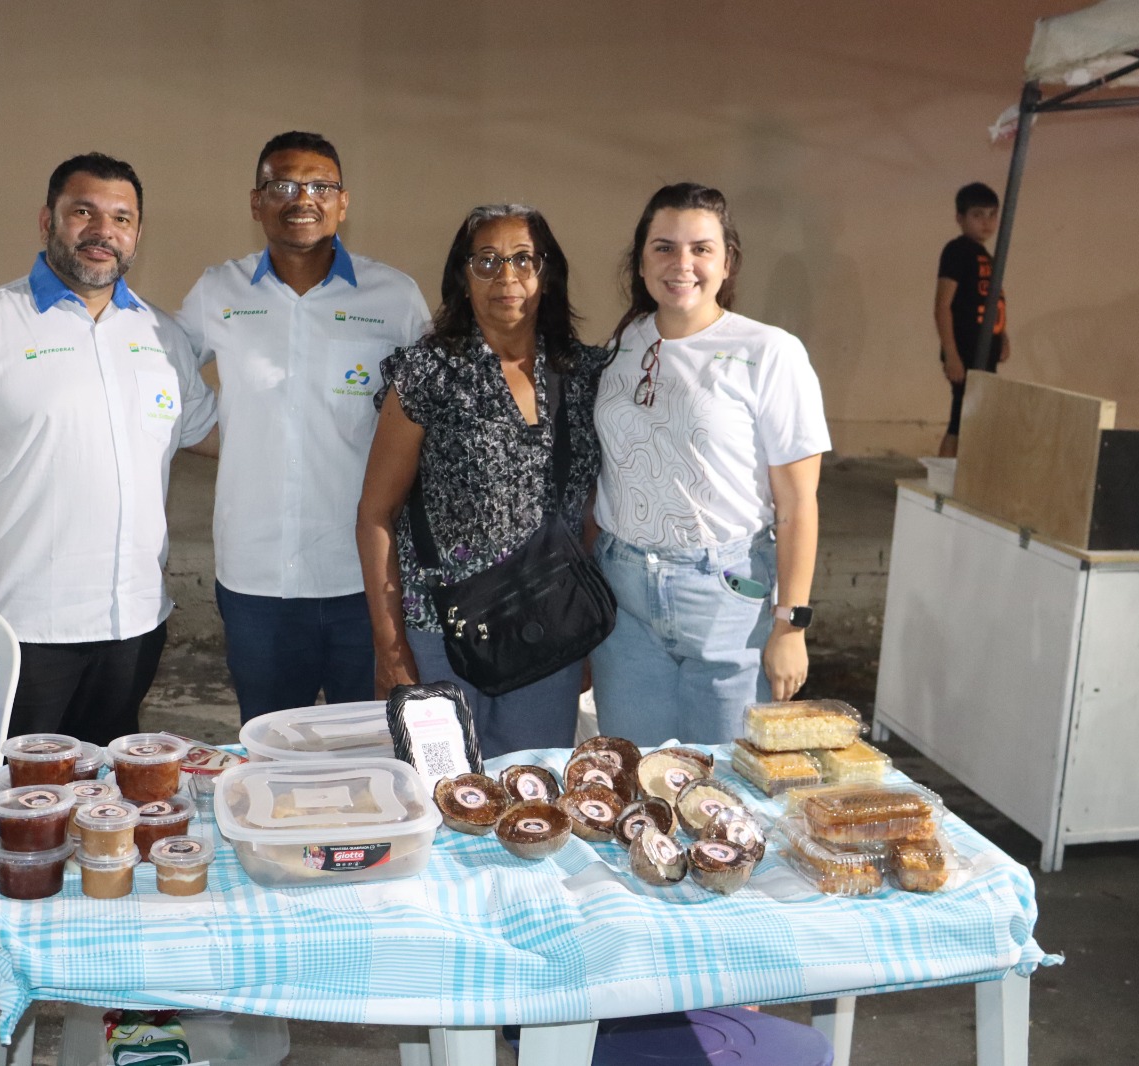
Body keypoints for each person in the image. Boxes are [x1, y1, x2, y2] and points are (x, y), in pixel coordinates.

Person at [0, 152, 218, 751]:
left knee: (108, 788)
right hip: (17, 628)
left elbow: (207, 431)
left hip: (133, 626)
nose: (103, 231)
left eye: (122, 218)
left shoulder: (161, 336)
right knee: (14, 792)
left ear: (137, 234)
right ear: (47, 221)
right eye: (83, 212)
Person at [176, 131, 428, 723]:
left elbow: (431, 414)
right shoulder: (218, 292)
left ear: (343, 202)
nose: (302, 199)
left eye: (320, 186)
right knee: (269, 744)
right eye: (283, 185)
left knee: (370, 745)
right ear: (256, 201)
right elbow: (161, 376)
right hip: (256, 580)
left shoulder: (394, 298)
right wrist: (224, 432)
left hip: (363, 579)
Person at [356, 204, 603, 758]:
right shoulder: (428, 374)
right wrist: (391, 649)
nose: (505, 277)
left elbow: (590, 508)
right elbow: (375, 515)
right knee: (443, 791)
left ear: (547, 273)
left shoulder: (584, 374)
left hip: (549, 628)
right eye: (486, 261)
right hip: (440, 632)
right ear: (462, 277)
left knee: (534, 785)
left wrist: (587, 631)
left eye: (523, 260)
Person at [589, 183, 829, 747]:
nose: (682, 264)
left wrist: (790, 624)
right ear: (641, 261)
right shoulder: (620, 347)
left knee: (726, 781)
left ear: (727, 261)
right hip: (624, 602)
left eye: (701, 249)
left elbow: (798, 504)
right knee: (634, 773)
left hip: (727, 600)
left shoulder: (768, 352)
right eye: (664, 247)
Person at [936, 181, 1011, 457]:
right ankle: (942, 476)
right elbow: (943, 305)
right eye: (978, 215)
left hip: (985, 349)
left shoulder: (986, 257)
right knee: (960, 420)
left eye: (992, 215)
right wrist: (952, 354)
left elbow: (991, 301)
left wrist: (1002, 336)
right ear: (960, 217)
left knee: (970, 420)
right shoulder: (957, 251)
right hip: (966, 350)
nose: (987, 222)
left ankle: (957, 474)